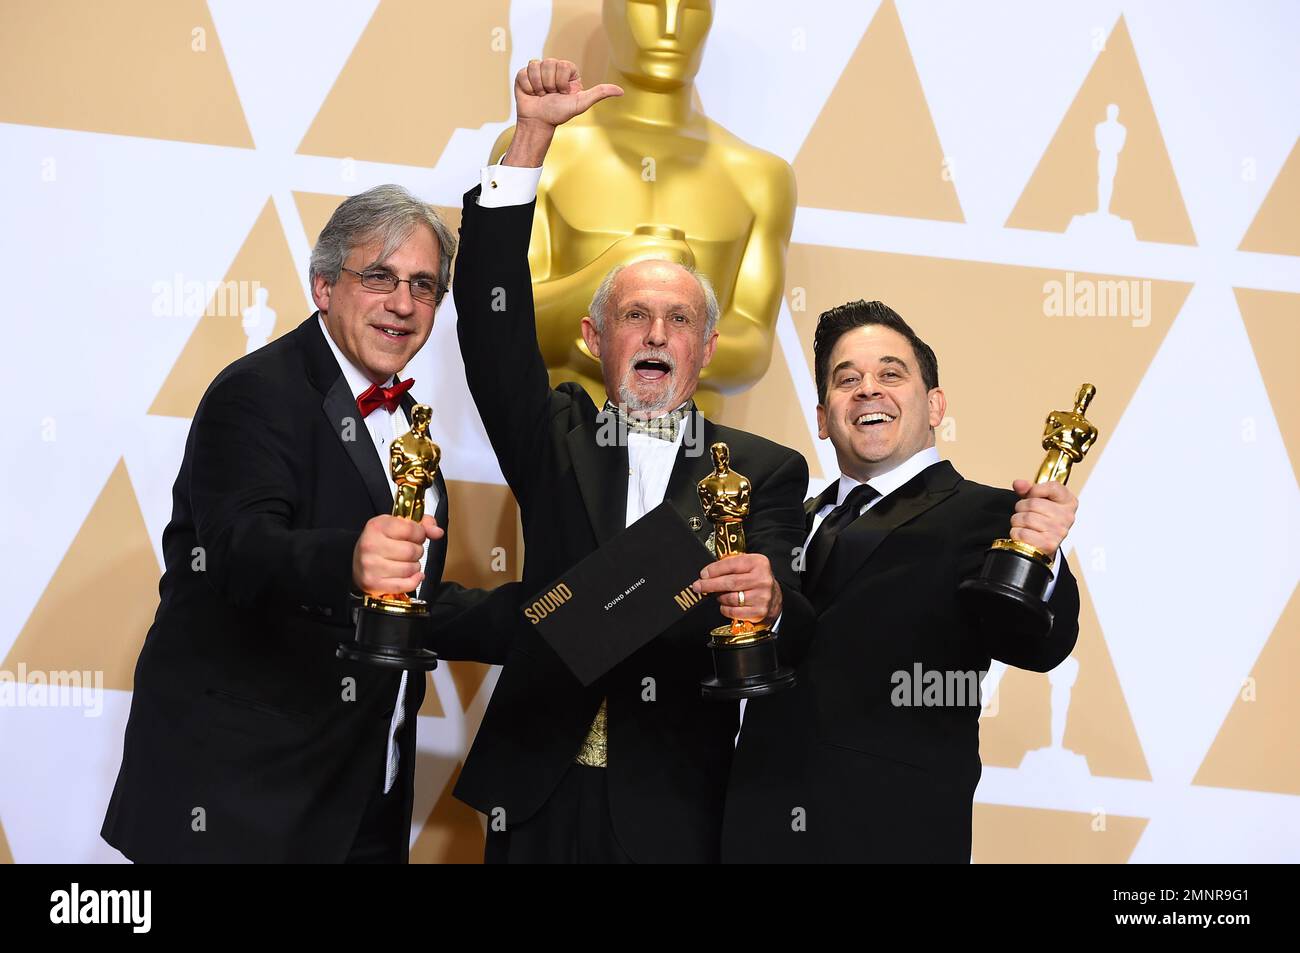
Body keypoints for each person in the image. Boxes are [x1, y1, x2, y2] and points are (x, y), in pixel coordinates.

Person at [442, 57, 811, 863]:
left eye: (677, 319)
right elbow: (491, 325)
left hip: (675, 807)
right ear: (592, 338)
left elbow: (791, 619)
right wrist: (531, 141)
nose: (653, 333)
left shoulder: (763, 472)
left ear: (707, 347)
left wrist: (772, 600)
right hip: (536, 796)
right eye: (633, 314)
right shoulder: (554, 436)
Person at [102, 184, 472, 863]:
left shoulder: (410, 433)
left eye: (424, 286)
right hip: (241, 804)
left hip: (363, 800)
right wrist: (349, 562)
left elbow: (409, 602)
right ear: (323, 285)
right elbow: (242, 550)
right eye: (380, 276)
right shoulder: (257, 391)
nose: (403, 303)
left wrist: (563, 621)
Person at [722, 299, 1082, 863]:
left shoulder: (991, 516)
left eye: (891, 374)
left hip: (895, 837)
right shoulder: (785, 521)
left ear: (935, 405)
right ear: (822, 416)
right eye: (848, 380)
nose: (869, 390)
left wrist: (1043, 555)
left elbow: (1040, 645)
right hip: (755, 833)